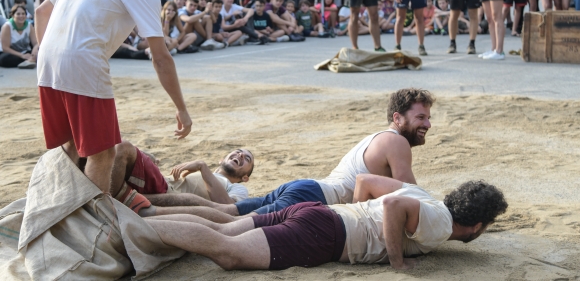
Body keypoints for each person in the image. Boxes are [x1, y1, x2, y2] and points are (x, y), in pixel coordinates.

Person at [35, 0, 193, 193]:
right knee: (103, 152)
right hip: (84, 60)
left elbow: (42, 11)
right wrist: (182, 109)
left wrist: (50, 55)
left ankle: (57, 201)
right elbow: (161, 57)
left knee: (71, 144)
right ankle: (94, 220)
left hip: (48, 57)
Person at [145, 88, 432, 222]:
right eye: (420, 117)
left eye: (428, 118)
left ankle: (148, 205)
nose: (427, 125)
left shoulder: (380, 138)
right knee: (228, 220)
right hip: (311, 196)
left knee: (225, 213)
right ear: (398, 117)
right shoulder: (396, 143)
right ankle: (150, 212)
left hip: (306, 189)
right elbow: (411, 195)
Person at [146, 174, 508, 271]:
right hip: (325, 232)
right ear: (477, 225)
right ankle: (133, 227)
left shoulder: (427, 196)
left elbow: (367, 181)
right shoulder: (441, 224)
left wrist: (356, 215)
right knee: (227, 252)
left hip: (321, 213)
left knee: (224, 227)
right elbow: (395, 205)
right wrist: (397, 262)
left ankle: (146, 212)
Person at [110, 143, 253, 213]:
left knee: (124, 148)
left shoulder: (237, 188)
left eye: (247, 158)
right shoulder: (198, 171)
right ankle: (120, 197)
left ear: (245, 177)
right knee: (110, 148)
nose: (240, 155)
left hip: (168, 194)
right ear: (221, 160)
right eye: (238, 152)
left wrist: (202, 166)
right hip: (161, 185)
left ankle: (108, 203)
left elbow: (228, 208)